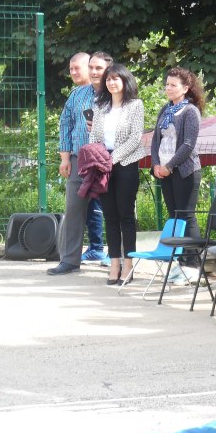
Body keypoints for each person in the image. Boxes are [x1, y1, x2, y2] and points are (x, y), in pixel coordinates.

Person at [89, 64, 144, 285]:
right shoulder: (100, 106)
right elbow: (94, 136)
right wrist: (99, 157)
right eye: (108, 79)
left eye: (116, 79)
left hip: (126, 164)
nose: (111, 83)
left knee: (126, 216)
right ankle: (114, 264)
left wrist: (113, 158)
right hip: (103, 166)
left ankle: (128, 265)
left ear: (124, 81)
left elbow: (135, 138)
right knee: (110, 216)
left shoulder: (135, 105)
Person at [150, 67, 205, 281]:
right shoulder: (166, 109)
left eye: (173, 85)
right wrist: (156, 164)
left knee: (186, 215)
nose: (169, 88)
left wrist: (170, 165)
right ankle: (181, 262)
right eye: (167, 84)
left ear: (186, 88)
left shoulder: (190, 111)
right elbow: (156, 140)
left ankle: (193, 264)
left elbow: (188, 144)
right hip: (164, 171)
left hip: (185, 171)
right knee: (174, 216)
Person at [48, 52, 96, 276]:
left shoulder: (111, 91)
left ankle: (121, 261)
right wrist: (65, 158)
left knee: (115, 210)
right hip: (79, 158)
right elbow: (65, 125)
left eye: (78, 68)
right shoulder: (76, 95)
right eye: (71, 69)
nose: (74, 72)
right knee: (74, 208)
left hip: (108, 158)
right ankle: (69, 260)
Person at [80, 51, 114, 267]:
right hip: (91, 158)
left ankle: (116, 252)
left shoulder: (119, 94)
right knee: (92, 203)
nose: (93, 72)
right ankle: (95, 249)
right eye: (91, 67)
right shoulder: (79, 94)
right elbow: (67, 124)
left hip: (114, 157)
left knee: (113, 206)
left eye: (98, 68)